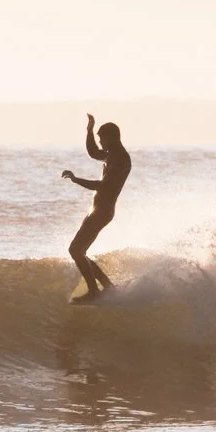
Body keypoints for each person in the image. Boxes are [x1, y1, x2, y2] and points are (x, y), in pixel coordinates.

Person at [61, 114, 131, 303]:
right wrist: (89, 130)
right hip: (97, 210)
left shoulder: (121, 160)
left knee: (75, 250)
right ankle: (107, 287)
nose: (100, 142)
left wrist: (76, 180)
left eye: (101, 138)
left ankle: (94, 291)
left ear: (110, 138)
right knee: (79, 251)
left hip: (103, 212)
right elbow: (93, 152)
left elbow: (103, 186)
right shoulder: (111, 155)